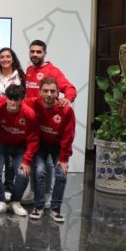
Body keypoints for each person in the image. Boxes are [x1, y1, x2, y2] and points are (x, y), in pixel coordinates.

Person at [0, 84, 39, 216]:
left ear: (22, 99)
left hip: (19, 148)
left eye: (17, 99)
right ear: (6, 98)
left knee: (23, 174)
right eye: (10, 99)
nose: (13, 102)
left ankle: (15, 201)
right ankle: (0, 202)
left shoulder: (29, 114)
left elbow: (33, 140)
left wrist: (26, 161)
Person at [29, 77, 75, 222]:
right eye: (45, 91)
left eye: (53, 91)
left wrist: (64, 158)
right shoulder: (33, 103)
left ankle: (55, 208)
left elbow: (68, 136)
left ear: (57, 93)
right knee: (39, 172)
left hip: (58, 146)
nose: (49, 94)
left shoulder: (65, 110)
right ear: (39, 92)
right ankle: (39, 206)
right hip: (40, 145)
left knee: (61, 174)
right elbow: (13, 102)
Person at [25, 40, 77, 105]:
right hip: (29, 113)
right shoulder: (29, 69)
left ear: (45, 53)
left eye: (38, 52)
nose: (35, 54)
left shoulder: (52, 71)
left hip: (45, 113)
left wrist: (67, 99)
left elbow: (70, 88)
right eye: (32, 52)